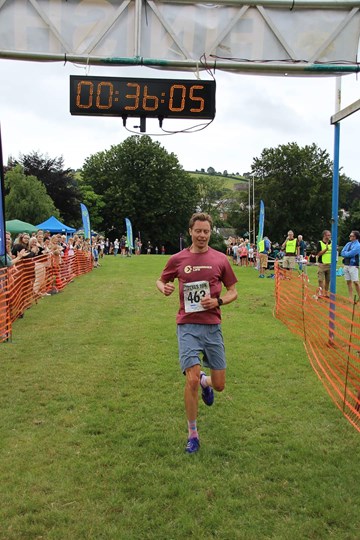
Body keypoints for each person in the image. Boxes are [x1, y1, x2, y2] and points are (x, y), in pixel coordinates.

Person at [156, 212, 238, 454]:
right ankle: (193, 433)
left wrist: (219, 301)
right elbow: (160, 280)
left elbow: (233, 290)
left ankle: (207, 381)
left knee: (220, 384)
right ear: (190, 231)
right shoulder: (178, 259)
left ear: (210, 233)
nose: (202, 235)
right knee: (189, 379)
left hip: (212, 326)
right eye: (198, 231)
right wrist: (165, 288)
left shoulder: (221, 259)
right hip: (188, 325)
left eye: (206, 231)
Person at [340, 230, 360, 300]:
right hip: (346, 264)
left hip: (353, 265)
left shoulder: (357, 245)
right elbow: (342, 252)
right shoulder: (348, 244)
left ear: (355, 237)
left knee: (356, 282)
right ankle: (350, 297)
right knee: (348, 281)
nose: (349, 236)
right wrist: (346, 254)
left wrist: (346, 254)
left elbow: (351, 254)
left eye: (351, 235)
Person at [316, 230, 332, 297]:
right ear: (324, 235)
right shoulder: (320, 243)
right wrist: (326, 249)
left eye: (330, 235)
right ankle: (321, 293)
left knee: (328, 280)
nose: (329, 236)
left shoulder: (331, 243)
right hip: (322, 264)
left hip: (330, 264)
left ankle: (326, 293)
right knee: (320, 280)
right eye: (328, 235)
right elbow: (318, 254)